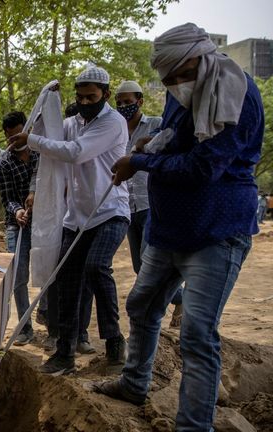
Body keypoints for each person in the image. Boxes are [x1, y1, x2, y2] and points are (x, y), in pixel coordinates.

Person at [95, 23, 263, 431]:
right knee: (142, 305)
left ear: (199, 59)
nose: (174, 86)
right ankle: (135, 382)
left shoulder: (235, 97)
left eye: (179, 77)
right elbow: (173, 138)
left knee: (197, 335)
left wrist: (140, 162)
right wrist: (147, 146)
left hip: (215, 232)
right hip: (168, 228)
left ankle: (192, 425)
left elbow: (203, 167)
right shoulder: (180, 92)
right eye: (166, 81)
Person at [10, 65, 130, 375]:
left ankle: (114, 339)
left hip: (110, 211)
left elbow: (75, 152)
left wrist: (32, 140)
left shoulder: (113, 123)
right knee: (65, 282)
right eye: (80, 97)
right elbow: (49, 133)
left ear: (105, 95)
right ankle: (64, 351)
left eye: (92, 97)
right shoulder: (73, 122)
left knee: (96, 266)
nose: (86, 102)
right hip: (76, 217)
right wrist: (46, 101)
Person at [114, 81, 184, 329]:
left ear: (140, 101)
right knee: (138, 266)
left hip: (150, 203)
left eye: (127, 101)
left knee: (147, 265)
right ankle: (180, 298)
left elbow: (169, 139)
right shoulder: (116, 130)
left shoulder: (155, 124)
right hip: (127, 207)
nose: (123, 106)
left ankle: (176, 302)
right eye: (119, 102)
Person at [0, 111, 38, 345]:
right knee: (19, 277)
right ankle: (24, 327)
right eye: (10, 138)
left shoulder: (42, 153)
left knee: (49, 272)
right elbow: (7, 197)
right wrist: (18, 211)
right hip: (16, 225)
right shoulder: (4, 162)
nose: (14, 142)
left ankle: (50, 322)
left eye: (18, 135)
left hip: (44, 224)